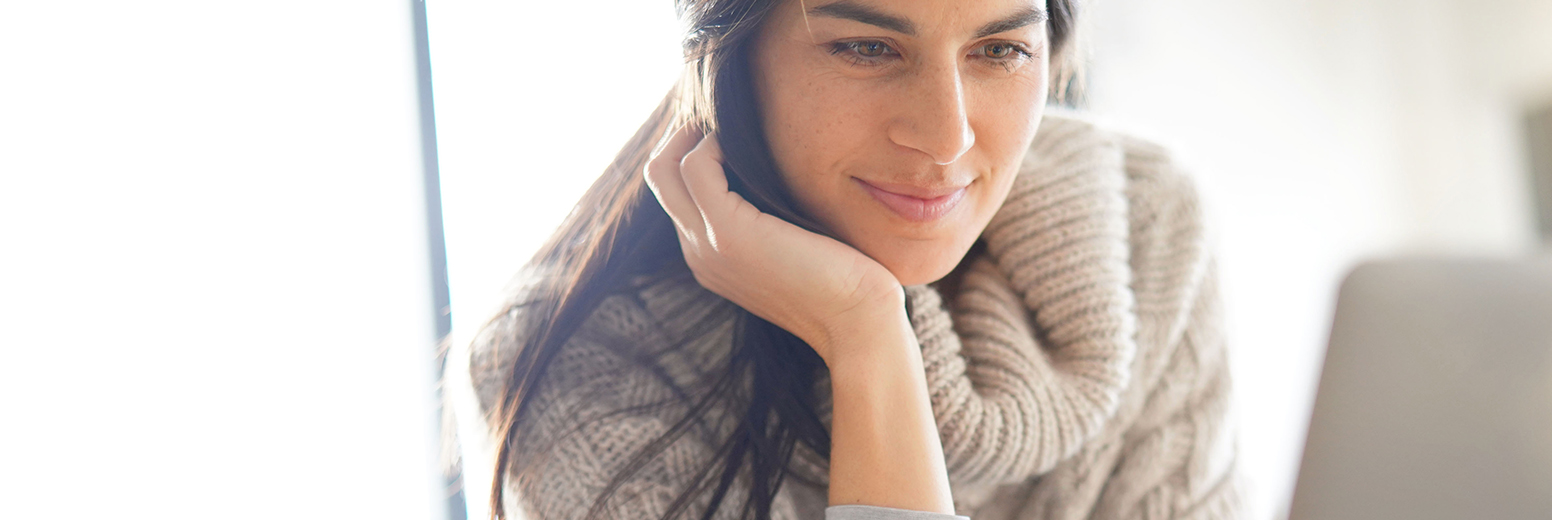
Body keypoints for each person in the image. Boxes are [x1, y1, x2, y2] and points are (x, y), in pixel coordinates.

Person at [453, 0, 1239, 519]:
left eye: (1000, 49)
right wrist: (866, 337)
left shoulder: (1145, 224)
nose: (947, 136)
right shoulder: (579, 360)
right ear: (728, 61)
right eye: (867, 47)